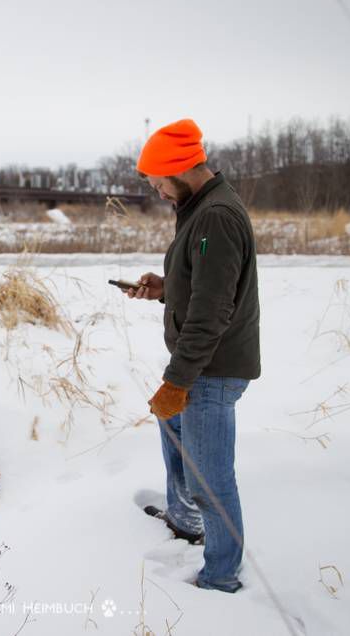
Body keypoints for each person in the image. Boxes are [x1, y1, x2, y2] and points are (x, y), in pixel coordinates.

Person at [123, 118, 261, 593]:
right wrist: (166, 289)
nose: (157, 192)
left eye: (157, 181)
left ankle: (221, 575)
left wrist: (177, 381)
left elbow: (212, 311)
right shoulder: (200, 207)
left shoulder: (216, 217)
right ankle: (185, 521)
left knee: (210, 481)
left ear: (179, 170)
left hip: (211, 371)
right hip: (197, 365)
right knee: (175, 438)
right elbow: (206, 287)